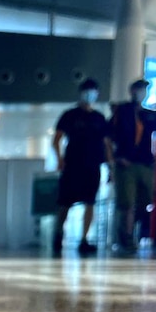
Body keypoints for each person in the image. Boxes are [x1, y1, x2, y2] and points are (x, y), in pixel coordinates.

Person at [51, 78, 114, 254]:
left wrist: (110, 166)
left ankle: (85, 238)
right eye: (87, 91)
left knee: (90, 202)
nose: (90, 95)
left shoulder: (99, 118)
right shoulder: (70, 115)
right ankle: (58, 234)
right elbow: (57, 138)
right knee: (65, 202)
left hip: (92, 165)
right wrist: (60, 159)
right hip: (72, 164)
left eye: (93, 91)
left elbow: (106, 144)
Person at [110, 79, 156, 252]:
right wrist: (116, 158)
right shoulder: (122, 112)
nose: (141, 93)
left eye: (144, 90)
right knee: (128, 202)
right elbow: (109, 137)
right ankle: (127, 234)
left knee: (146, 200)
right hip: (126, 164)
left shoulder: (150, 115)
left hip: (146, 163)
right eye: (139, 89)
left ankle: (130, 228)